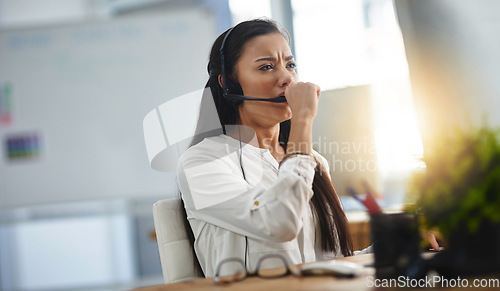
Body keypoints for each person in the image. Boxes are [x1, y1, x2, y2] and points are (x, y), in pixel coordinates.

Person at [177, 18, 366, 278]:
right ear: (228, 84)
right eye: (266, 67)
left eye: (290, 65)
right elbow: (280, 223)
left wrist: (397, 248)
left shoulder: (314, 161)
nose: (287, 78)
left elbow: (326, 261)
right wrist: (303, 120)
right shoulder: (202, 161)